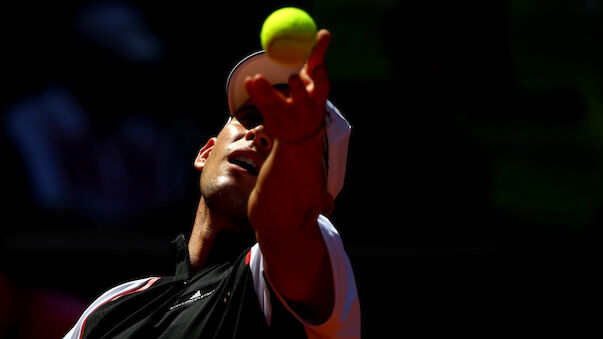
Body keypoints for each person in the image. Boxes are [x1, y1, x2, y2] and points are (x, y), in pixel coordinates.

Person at [64, 29, 360, 339]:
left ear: (320, 203)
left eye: (290, 133)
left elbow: (284, 225)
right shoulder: (109, 308)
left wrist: (294, 147)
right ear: (205, 152)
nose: (261, 132)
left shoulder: (306, 253)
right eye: (251, 115)